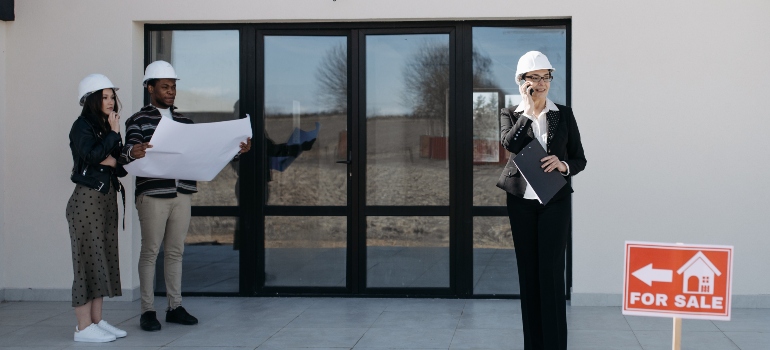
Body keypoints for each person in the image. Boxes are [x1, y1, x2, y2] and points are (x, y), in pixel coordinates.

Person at [118, 61, 251, 332]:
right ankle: (147, 311)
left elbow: (205, 152)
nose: (171, 92)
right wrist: (135, 151)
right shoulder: (138, 120)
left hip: (182, 193)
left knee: (176, 252)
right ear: (150, 87)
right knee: (151, 251)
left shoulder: (184, 122)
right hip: (153, 194)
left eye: (174, 87)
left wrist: (236, 151)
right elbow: (126, 153)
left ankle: (174, 307)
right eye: (165, 87)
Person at [497, 51, 587, 350]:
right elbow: (510, 143)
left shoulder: (564, 113)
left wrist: (563, 165)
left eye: (546, 76)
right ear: (522, 81)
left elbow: (579, 159)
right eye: (534, 77)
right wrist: (529, 112)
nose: (542, 82)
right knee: (529, 274)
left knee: (551, 275)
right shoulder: (511, 113)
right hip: (521, 202)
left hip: (555, 201)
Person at [67, 74, 129, 342]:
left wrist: (115, 148)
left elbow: (120, 166)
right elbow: (92, 156)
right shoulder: (81, 126)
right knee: (85, 263)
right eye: (104, 96)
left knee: (101, 260)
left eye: (112, 96)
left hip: (105, 198)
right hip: (87, 200)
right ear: (91, 99)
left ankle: (96, 321)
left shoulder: (107, 127)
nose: (111, 101)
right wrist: (113, 137)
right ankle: (83, 328)